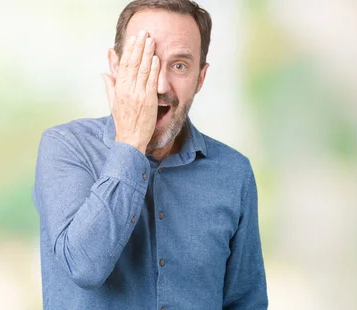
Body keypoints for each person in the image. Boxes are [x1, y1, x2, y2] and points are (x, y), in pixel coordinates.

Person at [32, 0, 268, 309]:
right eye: (144, 62)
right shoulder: (65, 147)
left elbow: (245, 302)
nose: (158, 85)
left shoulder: (234, 173)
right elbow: (84, 267)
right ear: (116, 66)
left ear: (200, 78)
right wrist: (130, 142)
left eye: (179, 65)